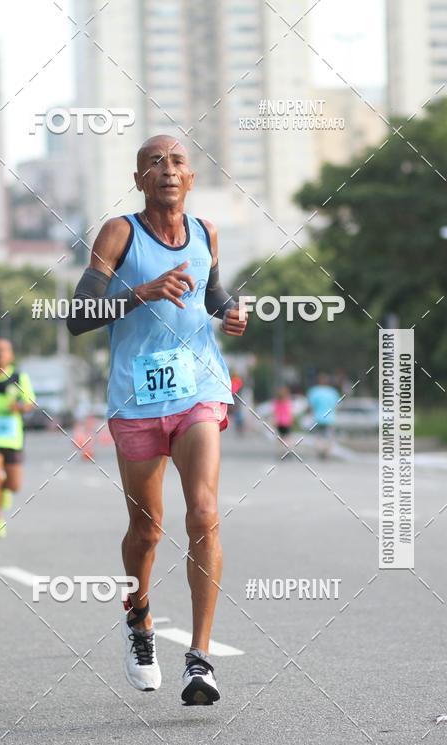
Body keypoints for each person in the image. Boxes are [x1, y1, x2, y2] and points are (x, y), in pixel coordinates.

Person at [67, 134, 248, 705]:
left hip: (199, 388)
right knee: (147, 528)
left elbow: (209, 292)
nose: (167, 170)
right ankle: (139, 619)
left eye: (177, 162)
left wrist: (230, 311)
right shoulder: (120, 233)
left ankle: (200, 658)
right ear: (139, 179)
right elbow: (78, 317)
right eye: (153, 163)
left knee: (204, 510)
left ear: (190, 177)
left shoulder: (206, 233)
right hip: (138, 396)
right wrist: (141, 291)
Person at [0, 338, 35, 538]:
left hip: (12, 437)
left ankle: (5, 490)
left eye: (4, 350)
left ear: (11, 355)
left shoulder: (19, 377)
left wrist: (17, 407)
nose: (0, 354)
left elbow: (29, 403)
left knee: (14, 485)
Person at [307, 372, 340, 459]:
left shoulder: (314, 391)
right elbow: (336, 405)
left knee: (318, 437)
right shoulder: (332, 392)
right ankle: (326, 452)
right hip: (330, 419)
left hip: (317, 418)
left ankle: (319, 451)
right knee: (329, 437)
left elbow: (310, 406)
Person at [272, 385, 293, 458]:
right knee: (287, 437)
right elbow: (289, 412)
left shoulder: (276, 402)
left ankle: (282, 452)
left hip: (279, 422)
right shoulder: (287, 401)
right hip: (286, 422)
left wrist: (274, 420)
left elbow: (275, 412)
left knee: (281, 437)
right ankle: (286, 451)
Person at [229, 370, 245, 434]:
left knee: (237, 412)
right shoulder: (237, 381)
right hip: (237, 398)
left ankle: (239, 426)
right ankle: (239, 426)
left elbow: (233, 390)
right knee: (238, 412)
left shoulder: (235, 381)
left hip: (236, 398)